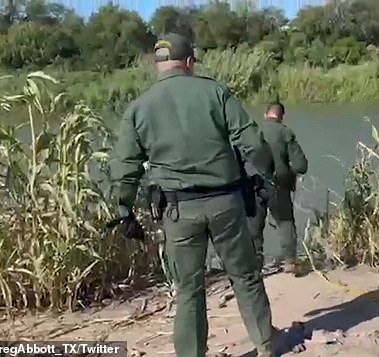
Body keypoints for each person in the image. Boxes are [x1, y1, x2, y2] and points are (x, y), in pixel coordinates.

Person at [109, 32, 276, 357]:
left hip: (177, 211)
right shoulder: (214, 91)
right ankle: (266, 346)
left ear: (158, 64)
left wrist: (123, 210)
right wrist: (267, 176)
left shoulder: (139, 107)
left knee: (188, 290)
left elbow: (125, 165)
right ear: (189, 62)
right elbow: (251, 140)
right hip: (226, 204)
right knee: (245, 277)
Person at [249, 102, 308, 275]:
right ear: (281, 116)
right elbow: (301, 165)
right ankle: (289, 261)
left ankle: (255, 265)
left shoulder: (253, 131)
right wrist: (287, 173)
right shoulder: (285, 132)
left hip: (254, 185)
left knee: (253, 226)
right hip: (279, 186)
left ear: (266, 113)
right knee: (285, 223)